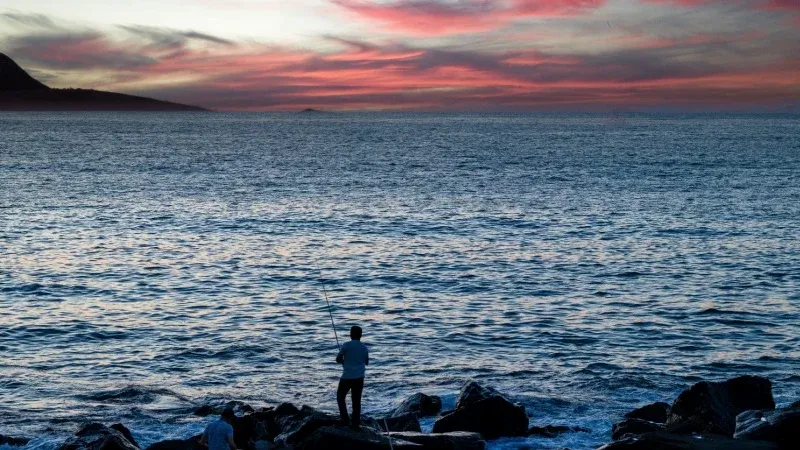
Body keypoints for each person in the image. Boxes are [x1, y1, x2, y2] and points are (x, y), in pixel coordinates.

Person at [336, 325, 369, 429]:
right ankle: (355, 424)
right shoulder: (364, 347)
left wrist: (344, 362)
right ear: (361, 335)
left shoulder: (346, 345)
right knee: (356, 401)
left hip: (347, 377)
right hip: (359, 378)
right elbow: (366, 362)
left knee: (340, 397)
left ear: (351, 335)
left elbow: (338, 359)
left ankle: (345, 419)